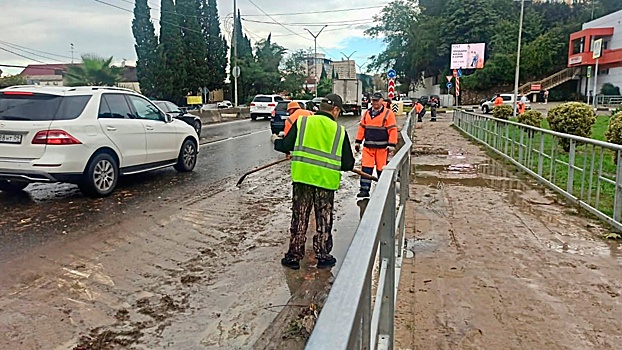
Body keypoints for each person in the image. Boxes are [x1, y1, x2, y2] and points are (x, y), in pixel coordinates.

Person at [274, 93, 355, 270]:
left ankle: (294, 257)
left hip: (303, 178)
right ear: (335, 110)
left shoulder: (303, 123)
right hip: (326, 183)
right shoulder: (340, 131)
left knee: (300, 217)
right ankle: (323, 256)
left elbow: (286, 145)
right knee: (324, 219)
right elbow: (348, 164)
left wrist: (276, 142)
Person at [355, 92, 398, 198]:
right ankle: (364, 190)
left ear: (382, 101)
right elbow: (362, 128)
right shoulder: (367, 113)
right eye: (373, 101)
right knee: (366, 169)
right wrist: (358, 141)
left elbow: (392, 130)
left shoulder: (388, 114)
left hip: (382, 148)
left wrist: (392, 144)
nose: (374, 103)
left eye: (376, 101)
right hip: (368, 147)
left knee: (381, 169)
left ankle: (382, 190)